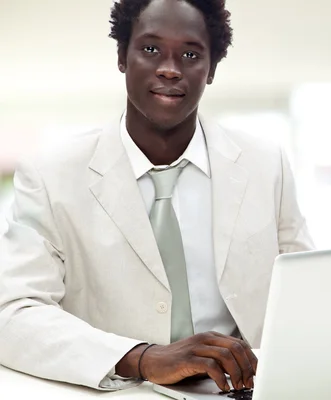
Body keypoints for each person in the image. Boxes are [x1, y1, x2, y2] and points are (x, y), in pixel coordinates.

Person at [0, 0, 313, 392]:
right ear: (122, 57)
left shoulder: (266, 164)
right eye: (150, 49)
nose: (170, 67)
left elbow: (307, 293)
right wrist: (142, 358)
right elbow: (12, 314)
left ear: (211, 69)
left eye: (190, 54)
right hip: (124, 390)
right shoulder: (51, 175)